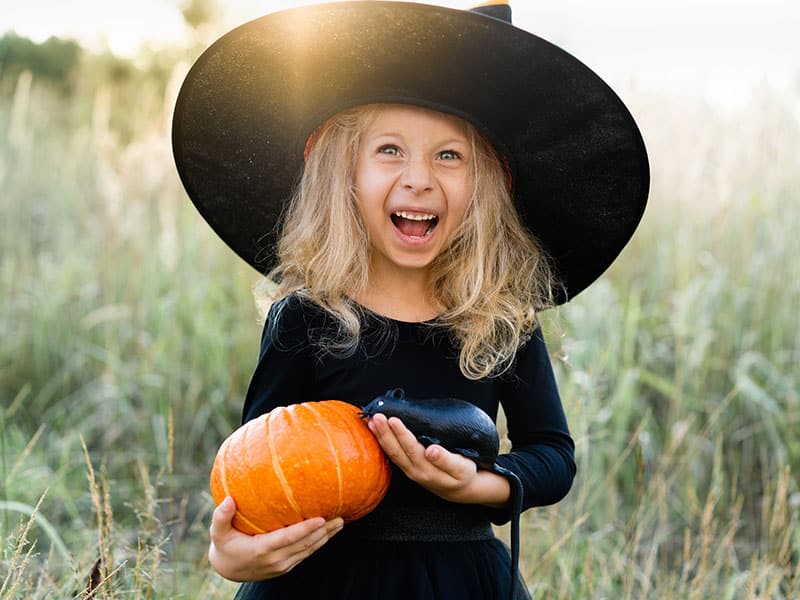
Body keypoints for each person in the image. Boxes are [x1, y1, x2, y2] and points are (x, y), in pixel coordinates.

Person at [172, 2, 649, 599]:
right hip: (322, 583)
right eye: (389, 150)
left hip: (461, 581)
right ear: (341, 174)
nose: (419, 178)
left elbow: (551, 454)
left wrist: (482, 485)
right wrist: (232, 553)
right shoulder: (307, 317)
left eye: (449, 155)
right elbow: (256, 468)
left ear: (485, 187)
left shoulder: (500, 322)